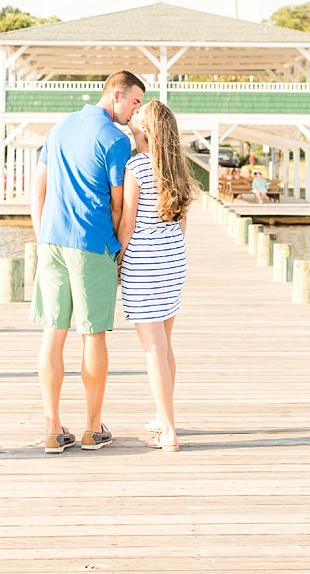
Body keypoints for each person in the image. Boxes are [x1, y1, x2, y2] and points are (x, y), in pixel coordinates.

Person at [29, 70, 146, 453]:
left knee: (53, 333)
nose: (135, 111)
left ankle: (52, 428)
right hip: (91, 244)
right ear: (115, 94)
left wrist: (41, 232)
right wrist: (117, 250)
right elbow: (118, 203)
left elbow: (38, 187)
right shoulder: (116, 140)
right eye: (134, 102)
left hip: (51, 241)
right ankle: (93, 429)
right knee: (92, 333)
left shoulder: (59, 127)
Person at [117, 100, 198, 452]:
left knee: (153, 349)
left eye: (139, 115)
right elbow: (182, 224)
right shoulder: (177, 168)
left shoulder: (136, 166)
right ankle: (162, 414)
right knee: (164, 345)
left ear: (146, 130)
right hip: (172, 259)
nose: (132, 116)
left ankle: (168, 430)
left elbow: (128, 224)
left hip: (145, 261)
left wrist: (118, 261)